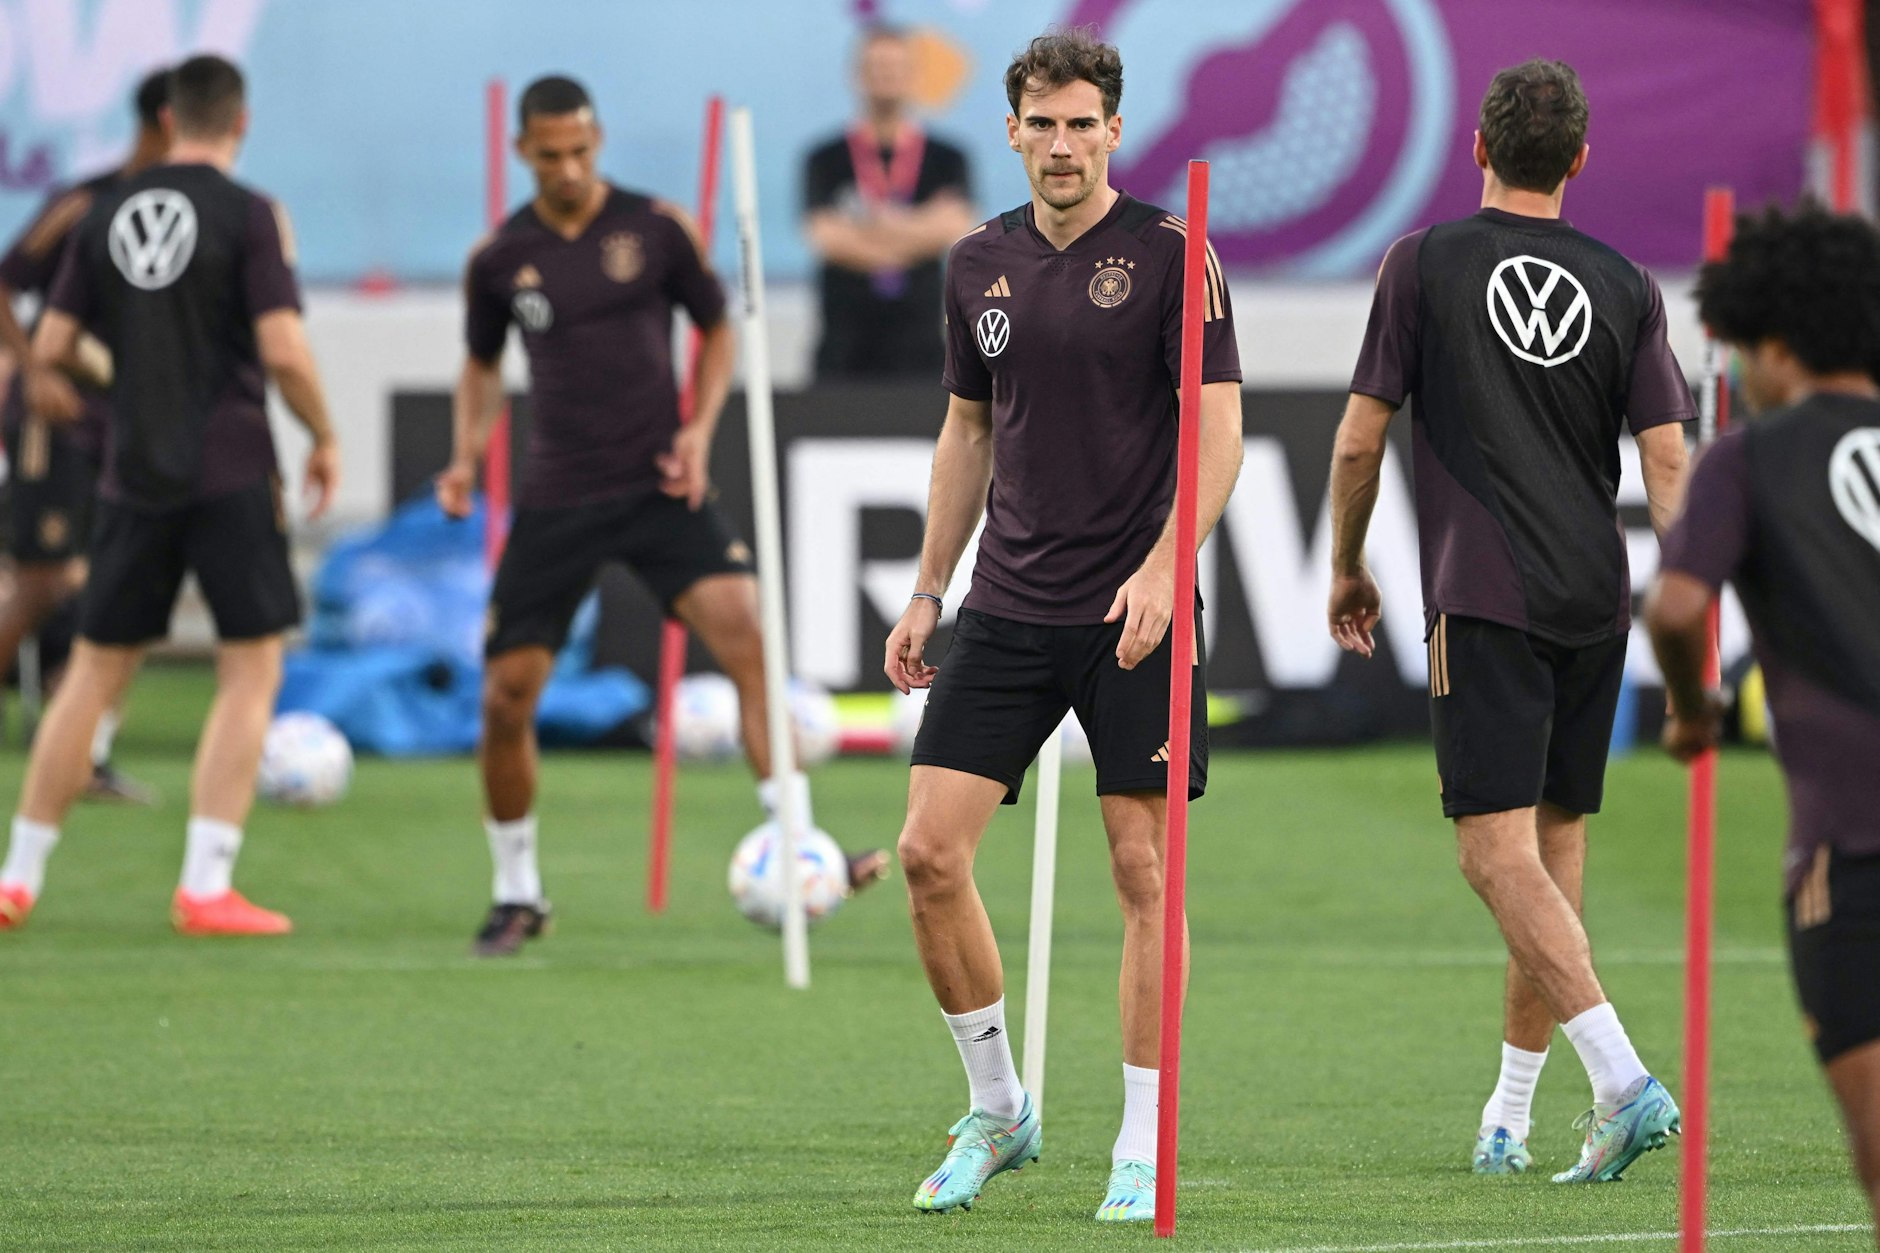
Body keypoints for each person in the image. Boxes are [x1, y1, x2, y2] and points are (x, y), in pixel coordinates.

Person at [883, 29, 1243, 1222]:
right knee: (928, 856)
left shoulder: (1173, 253)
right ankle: (998, 1106)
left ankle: (1140, 1139)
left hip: (1134, 609)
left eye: (1081, 122)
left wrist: (1161, 567)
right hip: (1007, 602)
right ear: (1011, 131)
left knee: (1142, 869)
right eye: (1040, 123)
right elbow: (967, 433)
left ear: (1114, 132)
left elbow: (1218, 434)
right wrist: (930, 587)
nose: (1061, 143)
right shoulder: (974, 263)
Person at [1327, 58, 1691, 1181]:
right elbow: (1668, 461)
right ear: (1578, 160)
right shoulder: (1626, 282)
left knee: (1493, 856)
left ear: (1475, 149)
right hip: (1595, 597)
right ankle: (1509, 1113)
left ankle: (1622, 1080)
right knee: (1552, 850)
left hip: (1482, 592)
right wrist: (1687, 605)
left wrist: (1343, 564)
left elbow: (1355, 439)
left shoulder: (1420, 262)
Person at [438, 75, 886, 960]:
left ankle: (798, 843)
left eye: (581, 149)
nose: (568, 167)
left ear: (596, 140)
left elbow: (717, 330)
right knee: (505, 697)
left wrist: (698, 426)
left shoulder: (656, 228)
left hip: (659, 486)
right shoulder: (498, 258)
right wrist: (463, 453)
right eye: (550, 153)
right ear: (524, 151)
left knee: (751, 641)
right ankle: (517, 889)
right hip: (557, 495)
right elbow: (481, 365)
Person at [0, 54, 340, 935]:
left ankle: (18, 876)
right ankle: (205, 883)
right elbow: (286, 352)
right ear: (241, 121)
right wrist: (325, 434)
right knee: (250, 663)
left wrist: (116, 373)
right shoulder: (252, 214)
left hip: (131, 471)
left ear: (168, 119)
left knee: (95, 668)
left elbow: (58, 337)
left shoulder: (105, 211)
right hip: (230, 468)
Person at [1647, 203, 1880, 1246]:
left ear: (1773, 343)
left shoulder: (1747, 458)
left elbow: (1676, 607)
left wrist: (1691, 715)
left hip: (1853, 842)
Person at [0, 68, 172, 804]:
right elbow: (5, 281)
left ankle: (85, 751)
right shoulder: (86, 202)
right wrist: (34, 367)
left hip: (134, 426)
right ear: (169, 121)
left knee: (125, 588)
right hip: (59, 417)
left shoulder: (190, 215)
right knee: (44, 580)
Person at [803, 24, 974, 379]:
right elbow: (826, 238)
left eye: (895, 67)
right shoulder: (824, 159)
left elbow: (956, 228)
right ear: (857, 75)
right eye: (877, 67)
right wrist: (919, 229)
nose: (886, 77)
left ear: (913, 76)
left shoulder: (947, 158)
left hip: (922, 350)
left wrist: (876, 226)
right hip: (843, 353)